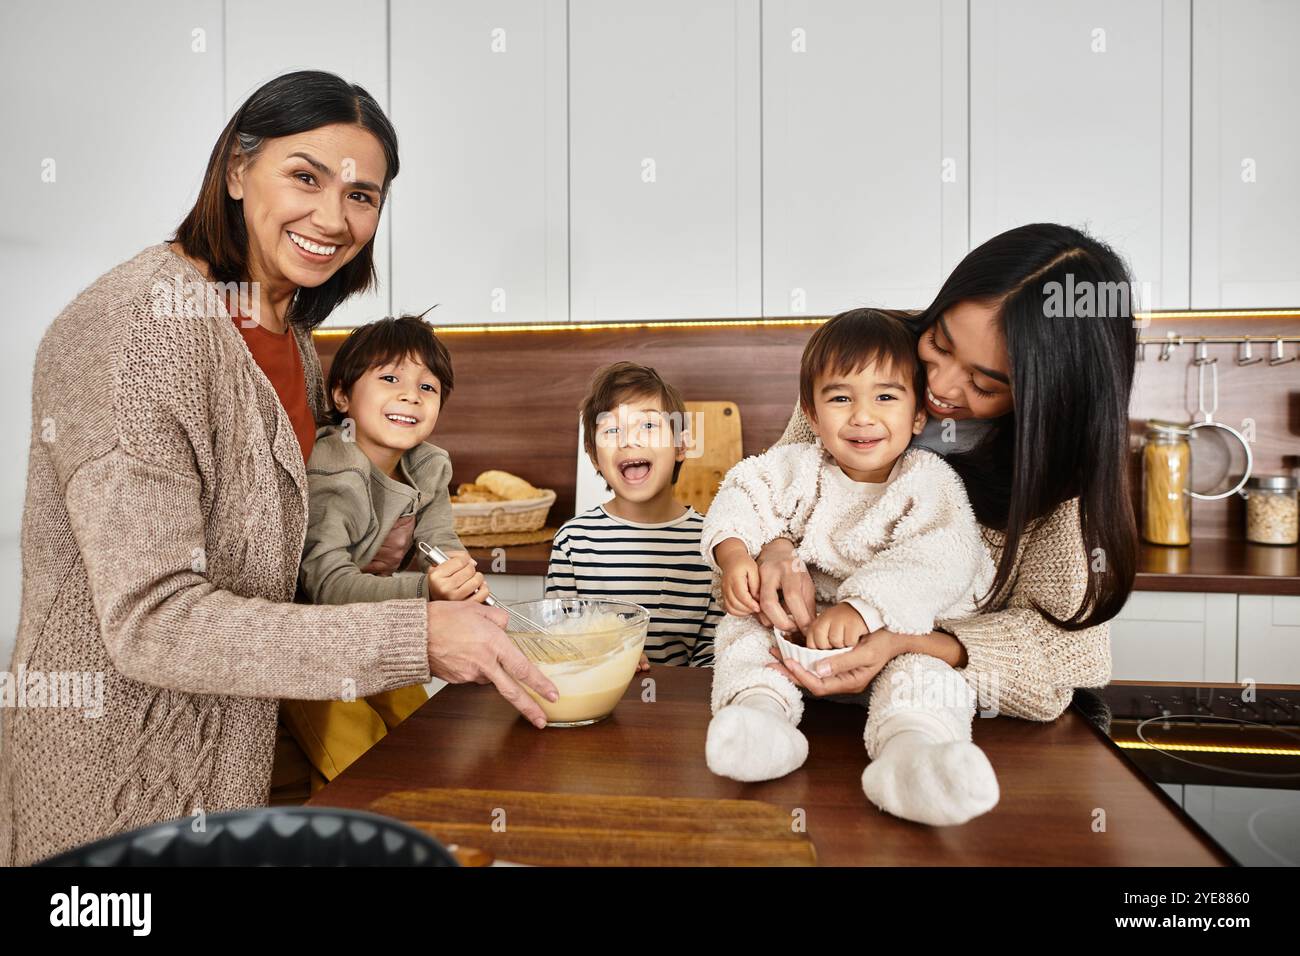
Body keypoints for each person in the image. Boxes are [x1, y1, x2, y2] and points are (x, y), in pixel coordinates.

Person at [0, 70, 555, 866]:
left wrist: (421, 583)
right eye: (305, 176)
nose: (333, 217)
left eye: (361, 195)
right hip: (121, 786)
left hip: (246, 755)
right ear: (237, 169)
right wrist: (415, 633)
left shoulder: (286, 333)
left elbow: (277, 558)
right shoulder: (139, 328)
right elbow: (154, 621)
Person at [751, 223, 1138, 731]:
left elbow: (1061, 659)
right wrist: (773, 549)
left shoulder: (1061, 475)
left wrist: (908, 643)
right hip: (806, 703)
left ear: (1046, 397)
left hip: (947, 720)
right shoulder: (867, 362)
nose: (940, 384)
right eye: (939, 342)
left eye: (983, 384)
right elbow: (768, 497)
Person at [702, 309, 1000, 825]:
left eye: (885, 397)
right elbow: (743, 492)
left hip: (892, 639)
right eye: (841, 399)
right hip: (796, 633)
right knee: (744, 633)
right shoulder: (799, 467)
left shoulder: (928, 481)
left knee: (926, 675)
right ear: (812, 415)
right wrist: (735, 555)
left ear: (918, 416)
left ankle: (912, 754)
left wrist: (863, 609)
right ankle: (760, 718)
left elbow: (942, 556)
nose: (862, 417)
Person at [288, 314, 493, 791]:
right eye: (390, 379)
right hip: (309, 643)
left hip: (380, 631)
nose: (411, 396)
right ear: (342, 396)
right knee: (355, 752)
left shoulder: (429, 465)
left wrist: (458, 577)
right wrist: (426, 589)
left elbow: (440, 543)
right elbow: (327, 584)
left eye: (428, 386)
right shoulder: (332, 471)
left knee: (420, 730)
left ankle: (421, 820)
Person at [545, 362, 721, 668]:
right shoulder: (573, 542)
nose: (628, 440)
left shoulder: (712, 541)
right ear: (593, 456)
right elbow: (558, 643)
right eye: (612, 430)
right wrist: (606, 657)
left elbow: (714, 657)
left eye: (648, 426)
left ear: (681, 445)